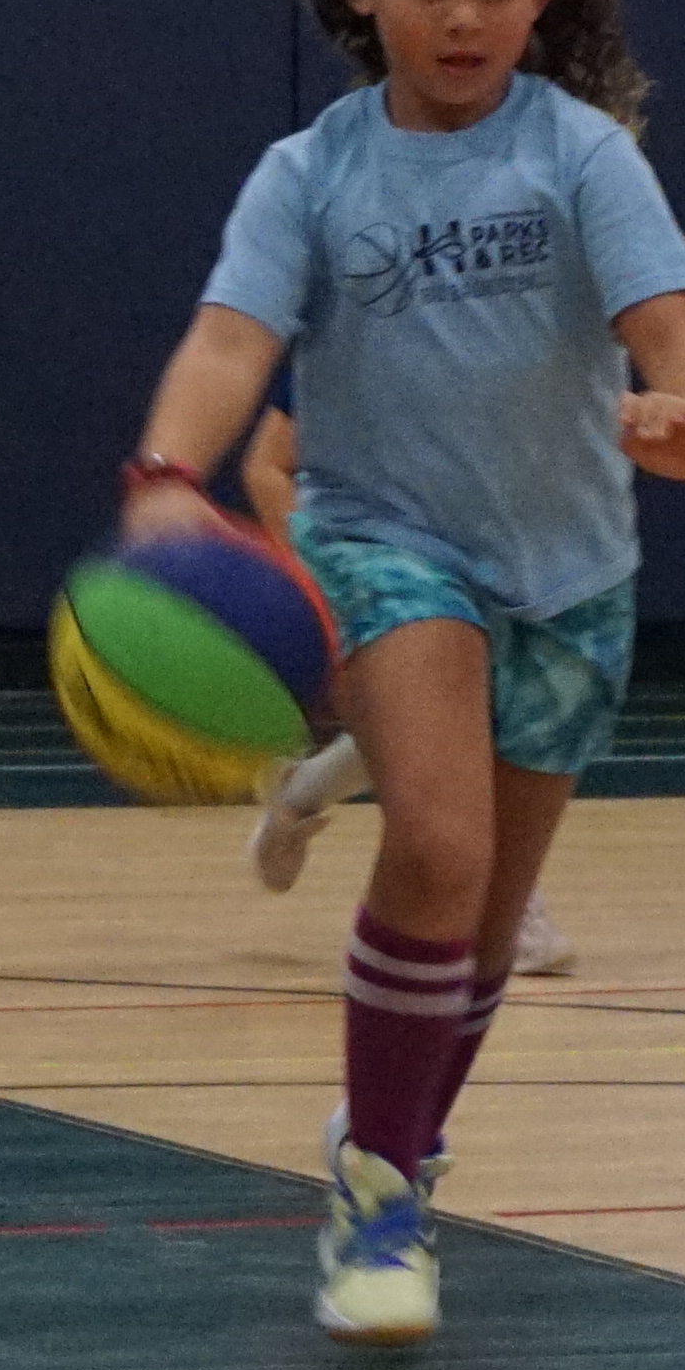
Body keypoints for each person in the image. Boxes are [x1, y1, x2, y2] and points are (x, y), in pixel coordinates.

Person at [119, 0, 685, 1346]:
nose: (463, 15)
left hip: (573, 573)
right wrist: (162, 478)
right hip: (381, 543)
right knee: (440, 850)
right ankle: (380, 1201)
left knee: (485, 921)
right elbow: (231, 342)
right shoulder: (310, 172)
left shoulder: (584, 155)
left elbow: (676, 332)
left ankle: (396, 1142)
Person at [237, 406, 573, 977]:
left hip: (501, 550)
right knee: (455, 717)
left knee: (464, 714)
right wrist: (332, 570)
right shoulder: (368, 335)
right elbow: (266, 466)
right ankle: (510, 910)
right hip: (384, 565)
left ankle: (300, 791)